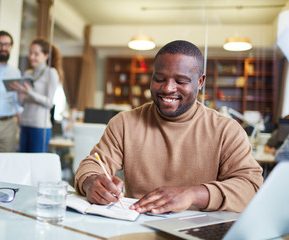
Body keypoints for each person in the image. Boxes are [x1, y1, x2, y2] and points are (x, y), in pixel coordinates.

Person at [75, 40, 263, 214]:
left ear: (200, 82)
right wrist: (92, 182)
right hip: (138, 227)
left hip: (198, 230)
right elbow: (91, 165)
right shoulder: (124, 123)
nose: (168, 88)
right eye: (159, 79)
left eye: (181, 81)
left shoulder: (226, 130)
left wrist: (192, 194)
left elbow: (251, 187)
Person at [9, 38, 62, 152]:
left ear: (46, 56)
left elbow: (49, 103)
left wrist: (30, 93)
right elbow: (22, 103)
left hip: (40, 127)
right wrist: (20, 95)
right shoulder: (28, 73)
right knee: (23, 162)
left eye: (36, 54)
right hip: (24, 124)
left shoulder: (51, 72)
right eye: (30, 53)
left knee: (36, 165)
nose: (32, 57)